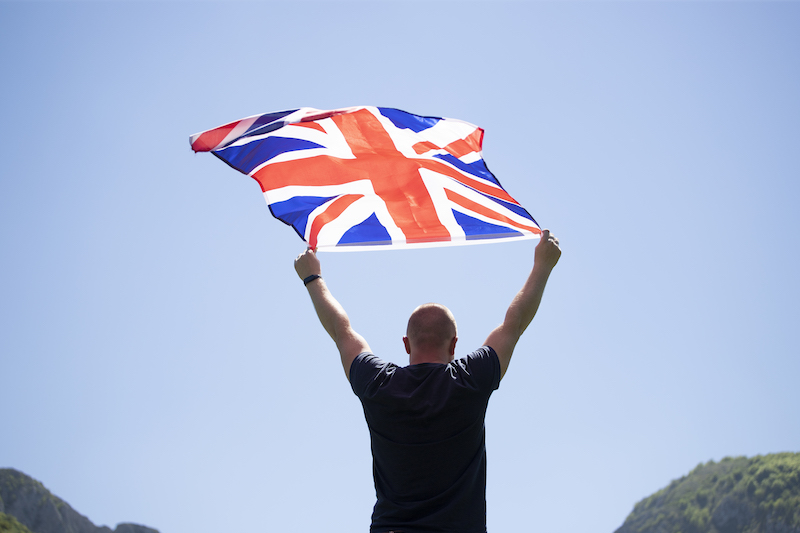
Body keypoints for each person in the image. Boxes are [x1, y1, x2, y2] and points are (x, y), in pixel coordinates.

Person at [294, 230, 562, 533]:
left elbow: (342, 331)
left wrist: (312, 278)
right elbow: (513, 325)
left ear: (407, 344)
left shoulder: (378, 384)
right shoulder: (470, 381)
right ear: (454, 344)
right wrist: (543, 265)